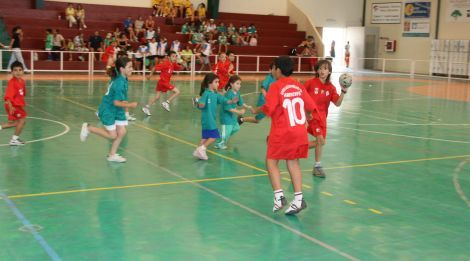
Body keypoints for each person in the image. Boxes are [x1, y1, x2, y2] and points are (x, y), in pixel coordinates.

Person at [252, 56, 319, 215]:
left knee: (271, 161)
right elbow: (310, 106)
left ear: (279, 70)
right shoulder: (298, 85)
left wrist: (257, 110)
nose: (272, 70)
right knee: (293, 161)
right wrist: (308, 115)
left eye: (273, 67)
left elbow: (269, 108)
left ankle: (279, 196)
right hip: (299, 131)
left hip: (283, 131)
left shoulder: (275, 86)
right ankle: (298, 199)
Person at [80, 56, 138, 163]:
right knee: (113, 135)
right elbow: (116, 102)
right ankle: (88, 128)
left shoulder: (122, 76)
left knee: (122, 132)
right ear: (122, 69)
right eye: (129, 67)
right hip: (109, 109)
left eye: (132, 67)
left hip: (117, 109)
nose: (132, 69)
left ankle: (112, 155)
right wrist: (130, 105)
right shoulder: (119, 83)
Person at [305, 59, 347, 178]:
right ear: (317, 70)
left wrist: (343, 91)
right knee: (320, 140)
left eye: (325, 68)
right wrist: (305, 112)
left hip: (323, 118)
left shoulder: (331, 88)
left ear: (329, 72)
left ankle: (297, 148)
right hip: (312, 116)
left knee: (321, 142)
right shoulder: (310, 83)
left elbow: (337, 103)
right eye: (320, 68)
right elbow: (301, 96)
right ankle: (317, 166)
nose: (322, 71)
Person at [193, 73, 237, 160]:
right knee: (214, 135)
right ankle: (202, 149)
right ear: (210, 83)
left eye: (218, 82)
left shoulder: (216, 94)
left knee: (205, 137)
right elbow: (201, 105)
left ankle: (197, 151)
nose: (218, 84)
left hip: (208, 119)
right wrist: (198, 103)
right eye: (216, 82)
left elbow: (224, 101)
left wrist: (232, 101)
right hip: (208, 119)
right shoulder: (206, 93)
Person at [214, 75, 252, 150]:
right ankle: (219, 143)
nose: (239, 86)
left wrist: (247, 107)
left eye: (240, 84)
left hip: (232, 116)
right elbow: (227, 108)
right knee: (227, 131)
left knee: (236, 128)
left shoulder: (237, 93)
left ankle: (223, 136)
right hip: (225, 116)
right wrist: (238, 112)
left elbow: (240, 102)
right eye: (237, 83)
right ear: (231, 84)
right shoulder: (229, 94)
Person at [142, 51, 183, 115]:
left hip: (161, 82)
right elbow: (154, 68)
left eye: (175, 56)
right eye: (173, 56)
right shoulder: (165, 63)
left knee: (157, 97)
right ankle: (167, 102)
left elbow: (180, 68)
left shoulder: (173, 64)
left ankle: (146, 107)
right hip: (163, 82)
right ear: (169, 57)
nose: (174, 58)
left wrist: (181, 62)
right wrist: (150, 76)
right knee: (177, 92)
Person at [0, 61, 27, 146]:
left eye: (20, 70)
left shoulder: (22, 81)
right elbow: (8, 96)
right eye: (15, 70)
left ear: (23, 71)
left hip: (17, 105)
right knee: (22, 121)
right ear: (11, 72)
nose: (18, 72)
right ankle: (14, 140)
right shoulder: (12, 82)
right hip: (13, 105)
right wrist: (11, 107)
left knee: (16, 123)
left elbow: (23, 92)